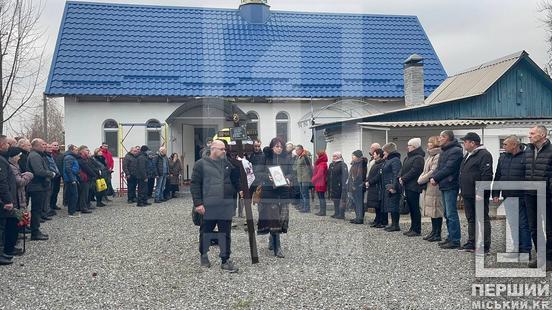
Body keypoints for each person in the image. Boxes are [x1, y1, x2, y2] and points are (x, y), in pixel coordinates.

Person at [191, 140, 240, 272]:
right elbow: (195, 185)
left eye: (225, 149)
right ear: (213, 149)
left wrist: (240, 190)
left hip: (225, 206)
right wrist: (198, 204)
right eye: (222, 149)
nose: (225, 151)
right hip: (208, 206)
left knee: (225, 233)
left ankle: (225, 260)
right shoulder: (200, 165)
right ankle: (204, 254)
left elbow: (235, 180)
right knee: (206, 231)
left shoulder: (227, 164)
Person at [492, 135, 531, 258]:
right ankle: (516, 248)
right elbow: (498, 176)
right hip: (508, 196)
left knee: (523, 224)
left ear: (514, 145)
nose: (503, 147)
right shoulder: (503, 157)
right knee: (513, 224)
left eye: (505, 144)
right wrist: (495, 193)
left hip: (522, 197)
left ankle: (525, 251)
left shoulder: (526, 157)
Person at [458, 132, 493, 253]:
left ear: (473, 143)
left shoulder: (484, 155)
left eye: (465, 142)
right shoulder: (468, 155)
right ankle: (471, 243)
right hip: (467, 193)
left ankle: (485, 245)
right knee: (471, 219)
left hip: (478, 194)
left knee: (482, 219)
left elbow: (487, 175)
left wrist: (481, 192)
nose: (464, 144)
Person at [257, 138, 292, 258]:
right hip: (269, 192)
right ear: (272, 147)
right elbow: (258, 172)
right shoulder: (265, 157)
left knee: (281, 219)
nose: (279, 148)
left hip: (283, 192)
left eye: (281, 146)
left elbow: (291, 172)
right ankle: (278, 247)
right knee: (274, 219)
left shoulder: (286, 158)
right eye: (276, 146)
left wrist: (288, 178)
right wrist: (268, 177)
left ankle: (272, 238)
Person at [524, 126, 552, 270]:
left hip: (547, 195)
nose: (529, 135)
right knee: (534, 227)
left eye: (532, 133)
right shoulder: (528, 150)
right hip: (530, 195)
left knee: (549, 228)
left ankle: (550, 259)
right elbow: (524, 171)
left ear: (542, 135)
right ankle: (540, 256)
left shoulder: (550, 150)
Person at [430, 130, 463, 250]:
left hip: (451, 184)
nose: (439, 139)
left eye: (441, 137)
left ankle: (455, 240)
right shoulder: (444, 150)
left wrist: (436, 178)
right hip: (443, 184)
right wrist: (434, 178)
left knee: (451, 213)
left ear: (448, 138)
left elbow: (449, 168)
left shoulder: (456, 151)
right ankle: (450, 237)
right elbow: (439, 167)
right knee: (446, 213)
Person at [27, 138, 55, 240]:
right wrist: (51, 173)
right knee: (36, 210)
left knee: (37, 209)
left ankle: (36, 230)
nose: (44, 146)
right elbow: (38, 171)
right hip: (36, 186)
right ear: (36, 146)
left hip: (39, 186)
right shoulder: (34, 156)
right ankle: (35, 232)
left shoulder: (38, 155)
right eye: (42, 144)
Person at [6, 147, 33, 256]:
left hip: (19, 197)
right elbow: (19, 182)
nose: (19, 157)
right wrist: (28, 175)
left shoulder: (15, 166)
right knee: (13, 223)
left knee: (17, 222)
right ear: (13, 156)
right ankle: (10, 247)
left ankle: (13, 245)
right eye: (18, 155)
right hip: (15, 199)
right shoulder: (12, 167)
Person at [418, 136, 443, 242]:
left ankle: (437, 233)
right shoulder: (430, 156)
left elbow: (433, 171)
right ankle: (433, 231)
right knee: (431, 210)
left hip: (434, 186)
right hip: (428, 186)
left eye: (430, 142)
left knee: (436, 209)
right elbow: (425, 171)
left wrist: (421, 179)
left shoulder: (437, 156)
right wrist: (421, 178)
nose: (428, 144)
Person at [399, 138, 425, 237]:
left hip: (414, 186)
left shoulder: (418, 158)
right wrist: (400, 177)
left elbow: (415, 171)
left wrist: (404, 178)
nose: (407, 147)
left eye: (409, 146)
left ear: (414, 147)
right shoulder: (408, 157)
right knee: (411, 207)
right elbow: (403, 169)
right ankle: (412, 227)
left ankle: (417, 229)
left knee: (415, 208)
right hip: (407, 185)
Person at [0, 136, 16, 265]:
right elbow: (2, 181)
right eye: (6, 144)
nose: (8, 146)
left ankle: (2, 252)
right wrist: (8, 200)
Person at [381, 144, 402, 231]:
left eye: (384, 151)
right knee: (390, 205)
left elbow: (396, 174)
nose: (383, 153)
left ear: (389, 151)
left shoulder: (395, 160)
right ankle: (392, 223)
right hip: (387, 186)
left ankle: (395, 225)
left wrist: (393, 186)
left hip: (393, 186)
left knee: (394, 205)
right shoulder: (389, 160)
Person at [366, 148, 386, 227]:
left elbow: (378, 176)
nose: (373, 155)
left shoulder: (381, 164)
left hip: (377, 187)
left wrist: (370, 182)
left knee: (379, 205)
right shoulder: (376, 163)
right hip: (373, 187)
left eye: (374, 154)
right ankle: (377, 220)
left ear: (378, 155)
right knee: (376, 206)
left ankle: (380, 221)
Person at [348, 150, 368, 224]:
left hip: (359, 186)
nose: (352, 157)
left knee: (359, 203)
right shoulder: (354, 164)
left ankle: (360, 218)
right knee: (355, 202)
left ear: (358, 157)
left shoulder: (361, 164)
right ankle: (357, 217)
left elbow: (360, 176)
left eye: (353, 155)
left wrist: (355, 184)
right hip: (354, 186)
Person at [327, 152, 348, 219]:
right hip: (333, 185)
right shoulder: (331, 164)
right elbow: (329, 174)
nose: (333, 157)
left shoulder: (342, 164)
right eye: (333, 156)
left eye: (335, 156)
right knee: (335, 200)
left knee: (340, 200)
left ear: (339, 157)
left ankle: (341, 214)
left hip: (339, 185)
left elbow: (345, 175)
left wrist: (342, 184)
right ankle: (336, 212)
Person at [76, 146, 97, 214]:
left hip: (86, 178)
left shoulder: (85, 159)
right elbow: (87, 168)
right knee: (83, 194)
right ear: (81, 151)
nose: (88, 151)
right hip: (83, 178)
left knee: (84, 193)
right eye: (86, 150)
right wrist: (94, 174)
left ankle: (80, 206)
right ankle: (83, 207)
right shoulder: (81, 159)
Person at [63, 144, 81, 217]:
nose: (77, 151)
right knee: (73, 195)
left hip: (73, 177)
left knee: (74, 195)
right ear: (72, 150)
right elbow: (68, 169)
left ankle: (72, 211)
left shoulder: (72, 157)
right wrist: (72, 179)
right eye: (76, 150)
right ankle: (71, 212)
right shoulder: (69, 157)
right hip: (70, 179)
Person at [44, 144, 60, 219]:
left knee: (54, 192)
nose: (50, 149)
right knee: (48, 194)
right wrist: (54, 173)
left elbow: (54, 165)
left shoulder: (50, 155)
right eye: (49, 147)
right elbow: (49, 166)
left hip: (55, 176)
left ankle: (51, 207)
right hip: (50, 176)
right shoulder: (45, 156)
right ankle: (47, 209)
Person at [295, 145, 312, 213]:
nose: (296, 152)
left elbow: (310, 167)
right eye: (295, 150)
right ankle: (303, 206)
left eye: (297, 150)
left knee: (305, 194)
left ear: (301, 150)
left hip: (305, 178)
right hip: (300, 178)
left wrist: (310, 176)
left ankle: (307, 208)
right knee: (302, 194)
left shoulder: (305, 157)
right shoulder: (299, 157)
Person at [312, 150, 328, 216]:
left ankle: (323, 211)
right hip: (319, 183)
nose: (316, 157)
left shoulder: (322, 164)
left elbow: (320, 174)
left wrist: (313, 179)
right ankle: (321, 211)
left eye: (317, 155)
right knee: (321, 197)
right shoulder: (321, 163)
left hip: (321, 183)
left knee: (321, 197)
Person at [50, 141, 63, 211]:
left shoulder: (61, 155)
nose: (56, 146)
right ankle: (49, 205)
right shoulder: (49, 154)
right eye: (54, 145)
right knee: (51, 191)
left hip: (58, 176)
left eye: (57, 145)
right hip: (52, 176)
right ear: (51, 146)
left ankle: (54, 204)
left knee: (56, 191)